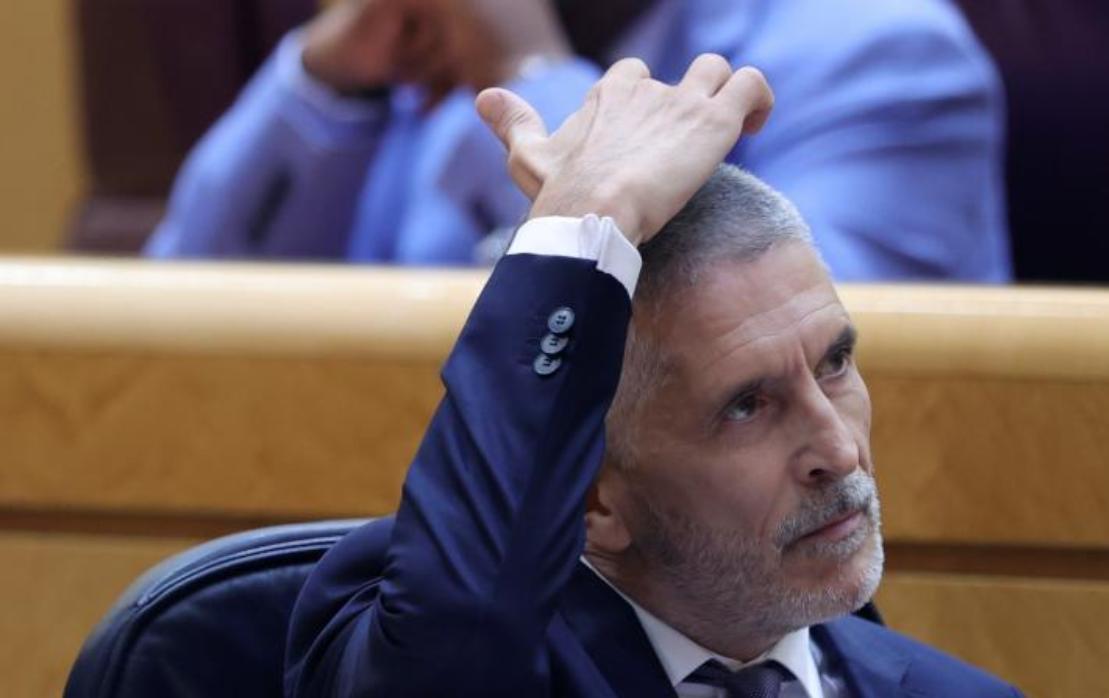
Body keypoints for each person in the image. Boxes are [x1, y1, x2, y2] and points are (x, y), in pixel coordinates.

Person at [282, 54, 1020, 697]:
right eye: (748, 405)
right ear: (595, 500)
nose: (840, 450)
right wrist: (584, 219)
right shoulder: (489, 663)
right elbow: (460, 636)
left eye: (834, 364)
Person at [145, 0, 1011, 282]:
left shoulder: (884, 55)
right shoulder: (430, 48)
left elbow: (800, 371)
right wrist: (330, 84)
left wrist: (527, 77)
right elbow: (164, 352)